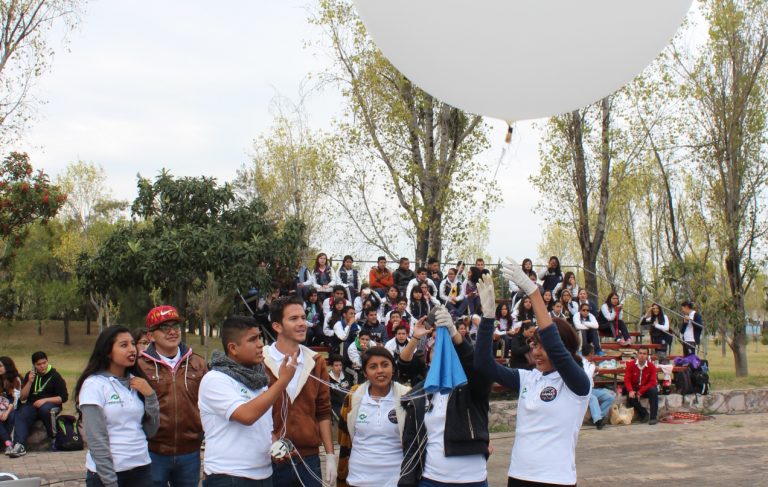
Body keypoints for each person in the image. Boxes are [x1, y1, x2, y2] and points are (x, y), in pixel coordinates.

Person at [476, 261, 591, 487]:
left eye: (541, 346)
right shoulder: (529, 378)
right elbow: (483, 364)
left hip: (555, 480)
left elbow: (554, 345)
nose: (535, 352)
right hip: (518, 476)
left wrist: (533, 293)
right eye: (533, 345)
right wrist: (488, 318)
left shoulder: (577, 383)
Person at [398, 306, 493, 487]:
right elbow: (401, 367)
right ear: (428, 356)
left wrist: (455, 335)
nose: (443, 353)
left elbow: (478, 369)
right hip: (431, 479)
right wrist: (416, 337)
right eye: (435, 349)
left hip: (473, 480)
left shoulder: (471, 387)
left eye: (448, 348)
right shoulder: (424, 390)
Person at [198, 316, 298, 486]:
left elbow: (264, 428)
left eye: (260, 337)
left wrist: (276, 447)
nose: (260, 344)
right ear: (233, 348)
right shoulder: (215, 379)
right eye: (253, 339)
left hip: (263, 474)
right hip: (228, 476)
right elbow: (246, 416)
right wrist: (282, 381)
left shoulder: (258, 380)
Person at [75, 325, 160, 486]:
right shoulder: (94, 385)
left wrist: (150, 396)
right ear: (108, 351)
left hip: (141, 469)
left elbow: (151, 431)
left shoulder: (138, 382)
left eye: (133, 343)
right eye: (123, 345)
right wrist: (110, 481)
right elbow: (96, 440)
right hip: (108, 475)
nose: (132, 349)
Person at [264, 296, 335, 487]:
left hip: (308, 458)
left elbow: (323, 411)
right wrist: (270, 441)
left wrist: (329, 454)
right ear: (277, 326)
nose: (302, 323)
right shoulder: (261, 361)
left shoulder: (316, 361)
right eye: (294, 319)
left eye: (303, 317)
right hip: (270, 458)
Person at [138, 306, 208, 487]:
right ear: (151, 335)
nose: (172, 332)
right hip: (153, 450)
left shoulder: (197, 363)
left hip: (190, 451)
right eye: (164, 328)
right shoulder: (139, 366)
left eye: (175, 326)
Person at [338, 347, 409, 487]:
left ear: (393, 369)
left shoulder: (407, 397)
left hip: (397, 479)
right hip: (358, 478)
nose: (380, 371)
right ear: (365, 372)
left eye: (385, 364)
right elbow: (344, 440)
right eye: (373, 366)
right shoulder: (353, 397)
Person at [8, 351, 68, 458]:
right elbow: (22, 398)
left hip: (50, 405)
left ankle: (54, 438)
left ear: (47, 361)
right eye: (39, 364)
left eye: (44, 363)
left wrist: (44, 400)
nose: (42, 366)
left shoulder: (55, 376)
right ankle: (19, 445)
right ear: (34, 365)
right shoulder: (30, 375)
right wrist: (30, 382)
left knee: (45, 409)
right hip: (32, 405)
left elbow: (63, 397)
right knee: (23, 412)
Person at [624, 348, 659, 425]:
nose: (642, 355)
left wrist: (640, 392)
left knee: (653, 391)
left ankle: (653, 417)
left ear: (647, 356)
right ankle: (644, 414)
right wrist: (630, 390)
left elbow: (653, 382)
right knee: (630, 397)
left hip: (646, 388)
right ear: (637, 354)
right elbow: (627, 379)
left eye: (644, 354)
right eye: (640, 353)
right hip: (635, 387)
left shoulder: (651, 366)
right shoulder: (631, 364)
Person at [582, 359, 615, 430]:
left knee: (610, 397)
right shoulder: (580, 361)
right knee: (593, 398)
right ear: (591, 353)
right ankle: (598, 421)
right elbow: (587, 375)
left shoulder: (589, 363)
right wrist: (593, 367)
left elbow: (591, 376)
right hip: (581, 390)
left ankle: (597, 417)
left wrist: (595, 371)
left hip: (591, 389)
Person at [0, 356, 21, 455]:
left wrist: (7, 412)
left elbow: (16, 400)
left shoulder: (16, 379)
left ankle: (7, 443)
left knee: (11, 417)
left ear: (7, 367)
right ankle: (8, 443)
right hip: (1, 407)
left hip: (13, 407)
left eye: (0, 366)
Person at [328, 355, 353, 424]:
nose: (339, 367)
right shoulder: (327, 378)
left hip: (349, 404)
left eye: (340, 365)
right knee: (345, 420)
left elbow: (351, 390)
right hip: (336, 406)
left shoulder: (347, 375)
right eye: (336, 365)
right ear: (331, 366)